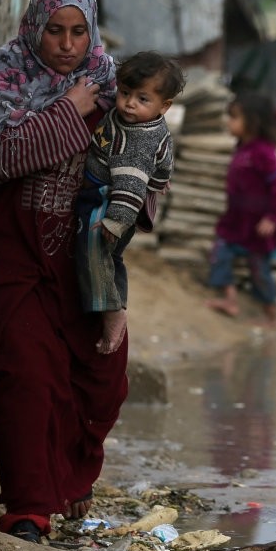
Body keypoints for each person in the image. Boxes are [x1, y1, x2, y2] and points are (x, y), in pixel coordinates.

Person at [0, 0, 125, 544]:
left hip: (82, 263)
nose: (67, 45)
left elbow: (141, 164)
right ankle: (28, 508)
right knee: (26, 373)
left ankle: (69, 478)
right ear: (35, 26)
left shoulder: (113, 84)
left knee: (99, 374)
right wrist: (69, 111)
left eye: (78, 32)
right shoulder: (4, 77)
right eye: (55, 31)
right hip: (12, 255)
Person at [76, 51, 184, 355]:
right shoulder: (140, 121)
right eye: (125, 93)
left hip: (110, 199)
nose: (129, 103)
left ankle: (109, 310)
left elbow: (131, 185)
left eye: (142, 99)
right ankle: (116, 302)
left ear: (165, 106)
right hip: (118, 192)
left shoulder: (138, 139)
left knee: (93, 250)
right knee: (115, 259)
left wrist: (115, 220)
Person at [206, 93, 276, 327]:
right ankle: (230, 299)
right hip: (236, 220)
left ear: (253, 121)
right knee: (220, 253)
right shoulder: (242, 148)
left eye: (234, 118)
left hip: (258, 224)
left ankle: (271, 314)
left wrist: (272, 217)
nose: (228, 123)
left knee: (260, 271)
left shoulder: (264, 152)